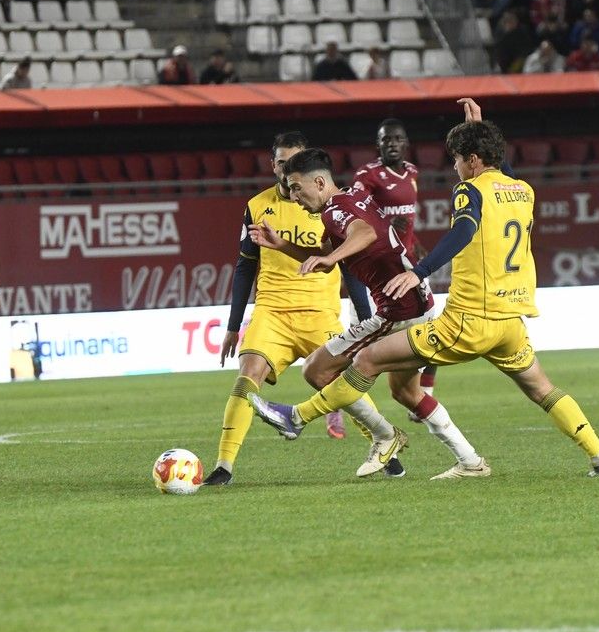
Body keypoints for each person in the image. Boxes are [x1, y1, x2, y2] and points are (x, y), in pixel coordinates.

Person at [252, 98, 599, 479]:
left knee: (367, 360)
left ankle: (298, 416)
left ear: (472, 160)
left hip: (467, 322)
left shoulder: (469, 191)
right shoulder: (523, 190)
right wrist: (479, 128)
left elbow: (464, 230)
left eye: (458, 159)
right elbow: (502, 173)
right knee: (542, 390)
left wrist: (421, 270)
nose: (455, 167)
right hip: (511, 322)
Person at [248, 148, 490, 478]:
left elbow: (364, 233)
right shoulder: (347, 201)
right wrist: (283, 245)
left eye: (296, 188)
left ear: (319, 183)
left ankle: (371, 433)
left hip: (399, 310)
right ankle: (470, 461)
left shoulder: (336, 210)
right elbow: (325, 255)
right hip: (415, 303)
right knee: (406, 392)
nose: (293, 197)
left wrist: (330, 259)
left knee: (317, 369)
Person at [206, 131, 377, 486]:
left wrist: (365, 320)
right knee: (247, 375)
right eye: (283, 164)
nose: (288, 172)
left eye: (295, 163)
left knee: (342, 381)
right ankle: (223, 466)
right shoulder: (257, 205)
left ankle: (384, 445)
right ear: (273, 165)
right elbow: (245, 266)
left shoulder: (326, 206)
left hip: (320, 313)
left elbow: (349, 266)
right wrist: (233, 326)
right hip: (272, 313)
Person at [350, 119, 440, 407]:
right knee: (357, 342)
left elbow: (407, 220)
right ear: (377, 144)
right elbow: (354, 214)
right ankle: (343, 404)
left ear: (406, 143)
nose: (392, 143)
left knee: (433, 329)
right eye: (386, 139)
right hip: (376, 268)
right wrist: (386, 223)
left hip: (408, 265)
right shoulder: (367, 175)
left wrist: (415, 242)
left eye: (397, 138)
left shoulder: (412, 172)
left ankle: (427, 391)